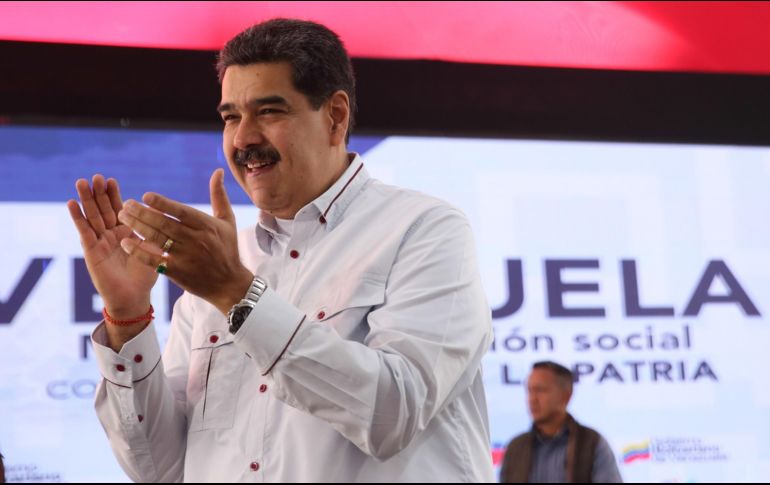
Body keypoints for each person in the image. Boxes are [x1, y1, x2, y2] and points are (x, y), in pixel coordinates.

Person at [67, 18, 494, 482]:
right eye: (230, 117)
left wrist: (237, 294)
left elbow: (392, 414)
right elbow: (160, 468)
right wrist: (126, 316)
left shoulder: (424, 229)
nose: (243, 138)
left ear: (334, 117)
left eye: (268, 111)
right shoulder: (228, 262)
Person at [500, 361, 622, 483]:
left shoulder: (592, 443)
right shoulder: (516, 447)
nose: (532, 399)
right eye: (530, 390)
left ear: (565, 396)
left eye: (540, 390)